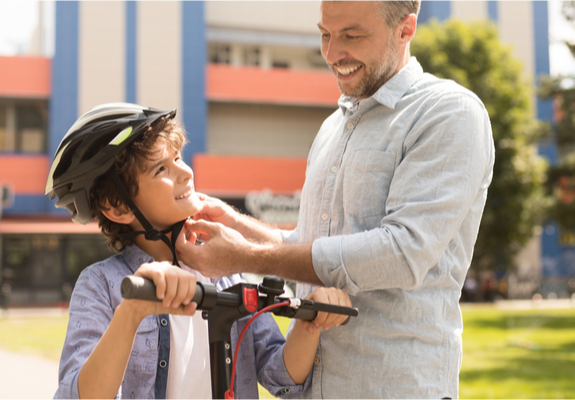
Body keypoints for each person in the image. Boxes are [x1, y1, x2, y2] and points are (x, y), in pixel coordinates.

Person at [176, 1, 495, 398]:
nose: (331, 54)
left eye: (351, 36)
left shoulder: (448, 113)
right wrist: (238, 225)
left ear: (405, 29)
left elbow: (402, 253)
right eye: (325, 34)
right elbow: (310, 252)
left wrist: (245, 257)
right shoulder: (332, 127)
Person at [46, 103, 351, 399]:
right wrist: (132, 311)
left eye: (178, 158)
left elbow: (281, 378)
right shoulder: (102, 285)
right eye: (161, 169)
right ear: (118, 206)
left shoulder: (226, 276)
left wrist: (310, 323)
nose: (185, 173)